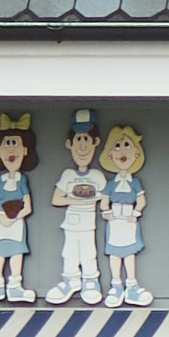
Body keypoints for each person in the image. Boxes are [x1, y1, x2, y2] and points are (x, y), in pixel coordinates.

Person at [49, 106, 110, 304]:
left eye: (86, 140)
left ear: (95, 143)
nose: (82, 147)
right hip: (71, 221)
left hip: (88, 222)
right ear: (70, 144)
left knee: (88, 251)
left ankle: (91, 280)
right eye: (78, 140)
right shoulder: (68, 175)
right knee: (69, 252)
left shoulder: (97, 176)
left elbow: (105, 196)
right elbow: (56, 199)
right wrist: (76, 200)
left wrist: (104, 207)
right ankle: (70, 280)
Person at [0, 114, 41, 302]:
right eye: (7, 144)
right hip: (0, 222)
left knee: (16, 252)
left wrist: (15, 217)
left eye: (16, 144)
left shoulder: (23, 180)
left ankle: (15, 285)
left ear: (25, 151)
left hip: (17, 223)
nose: (11, 149)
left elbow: (28, 207)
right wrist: (2, 219)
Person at [100, 121, 153, 306]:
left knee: (129, 252)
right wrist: (106, 212)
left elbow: (141, 200)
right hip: (114, 219)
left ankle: (132, 284)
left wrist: (136, 212)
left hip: (129, 219)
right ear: (110, 154)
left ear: (136, 153)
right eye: (117, 146)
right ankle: (116, 285)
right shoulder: (111, 183)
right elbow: (104, 199)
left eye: (127, 146)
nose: (122, 152)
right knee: (114, 252)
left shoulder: (135, 182)